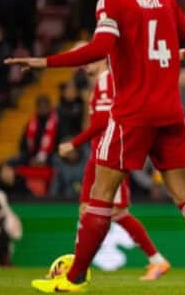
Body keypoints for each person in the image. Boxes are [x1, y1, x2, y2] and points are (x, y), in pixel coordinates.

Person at [6, 0, 185, 294]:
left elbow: (99, 49)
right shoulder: (166, 0)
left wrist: (43, 62)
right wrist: (177, 54)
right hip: (170, 113)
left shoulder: (111, 2)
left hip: (133, 115)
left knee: (100, 194)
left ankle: (74, 278)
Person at [57, 54, 170, 280]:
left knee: (115, 212)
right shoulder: (101, 82)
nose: (85, 64)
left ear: (102, 61)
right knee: (91, 210)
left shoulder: (108, 79)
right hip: (99, 154)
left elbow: (103, 121)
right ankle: (78, 267)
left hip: (110, 155)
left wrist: (73, 143)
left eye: (89, 59)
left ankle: (156, 260)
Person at [0, 189, 22, 265]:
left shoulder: (9, 217)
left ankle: (4, 262)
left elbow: (17, 235)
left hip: (2, 245)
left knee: (1, 234)